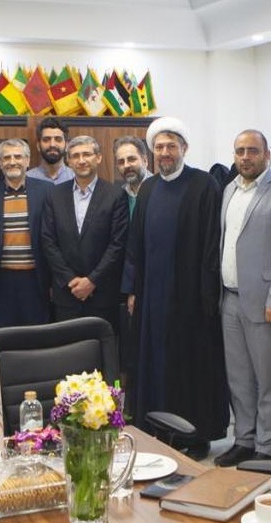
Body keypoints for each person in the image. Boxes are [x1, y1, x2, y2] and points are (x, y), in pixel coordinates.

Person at [126, 117, 229, 460]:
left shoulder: (203, 185)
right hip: (152, 297)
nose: (165, 152)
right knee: (155, 365)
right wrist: (133, 290)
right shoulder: (149, 188)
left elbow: (212, 244)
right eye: (159, 147)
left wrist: (207, 297)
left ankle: (194, 437)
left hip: (190, 298)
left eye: (171, 146)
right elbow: (136, 245)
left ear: (184, 148)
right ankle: (158, 433)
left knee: (188, 367)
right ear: (152, 153)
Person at [215, 129, 271, 467]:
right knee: (239, 377)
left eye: (252, 150)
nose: (245, 157)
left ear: (267, 155)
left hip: (265, 301)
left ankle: (266, 444)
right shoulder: (229, 190)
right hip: (230, 298)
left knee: (268, 378)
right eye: (240, 151)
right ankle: (244, 438)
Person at [40, 135, 128, 331]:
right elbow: (48, 241)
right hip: (66, 294)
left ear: (98, 157)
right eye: (75, 156)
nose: (81, 160)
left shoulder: (115, 195)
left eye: (87, 154)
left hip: (102, 294)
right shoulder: (54, 195)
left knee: (101, 347)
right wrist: (70, 280)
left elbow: (117, 244)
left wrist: (92, 281)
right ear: (68, 161)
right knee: (68, 347)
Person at [0, 138, 52, 328]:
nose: (12, 162)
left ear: (27, 160)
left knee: (36, 336)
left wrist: (54, 283)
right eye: (6, 158)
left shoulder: (46, 191)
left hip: (36, 280)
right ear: (0, 163)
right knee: (2, 336)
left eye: (18, 157)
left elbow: (54, 240)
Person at [115, 135, 150, 391]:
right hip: (126, 285)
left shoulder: (158, 190)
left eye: (132, 159)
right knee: (128, 353)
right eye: (121, 161)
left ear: (145, 160)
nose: (127, 165)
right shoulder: (119, 196)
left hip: (152, 283)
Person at [27, 117, 73, 185]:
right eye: (46, 140)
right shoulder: (27, 179)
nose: (52, 144)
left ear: (66, 145)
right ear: (38, 146)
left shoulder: (76, 178)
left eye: (58, 139)